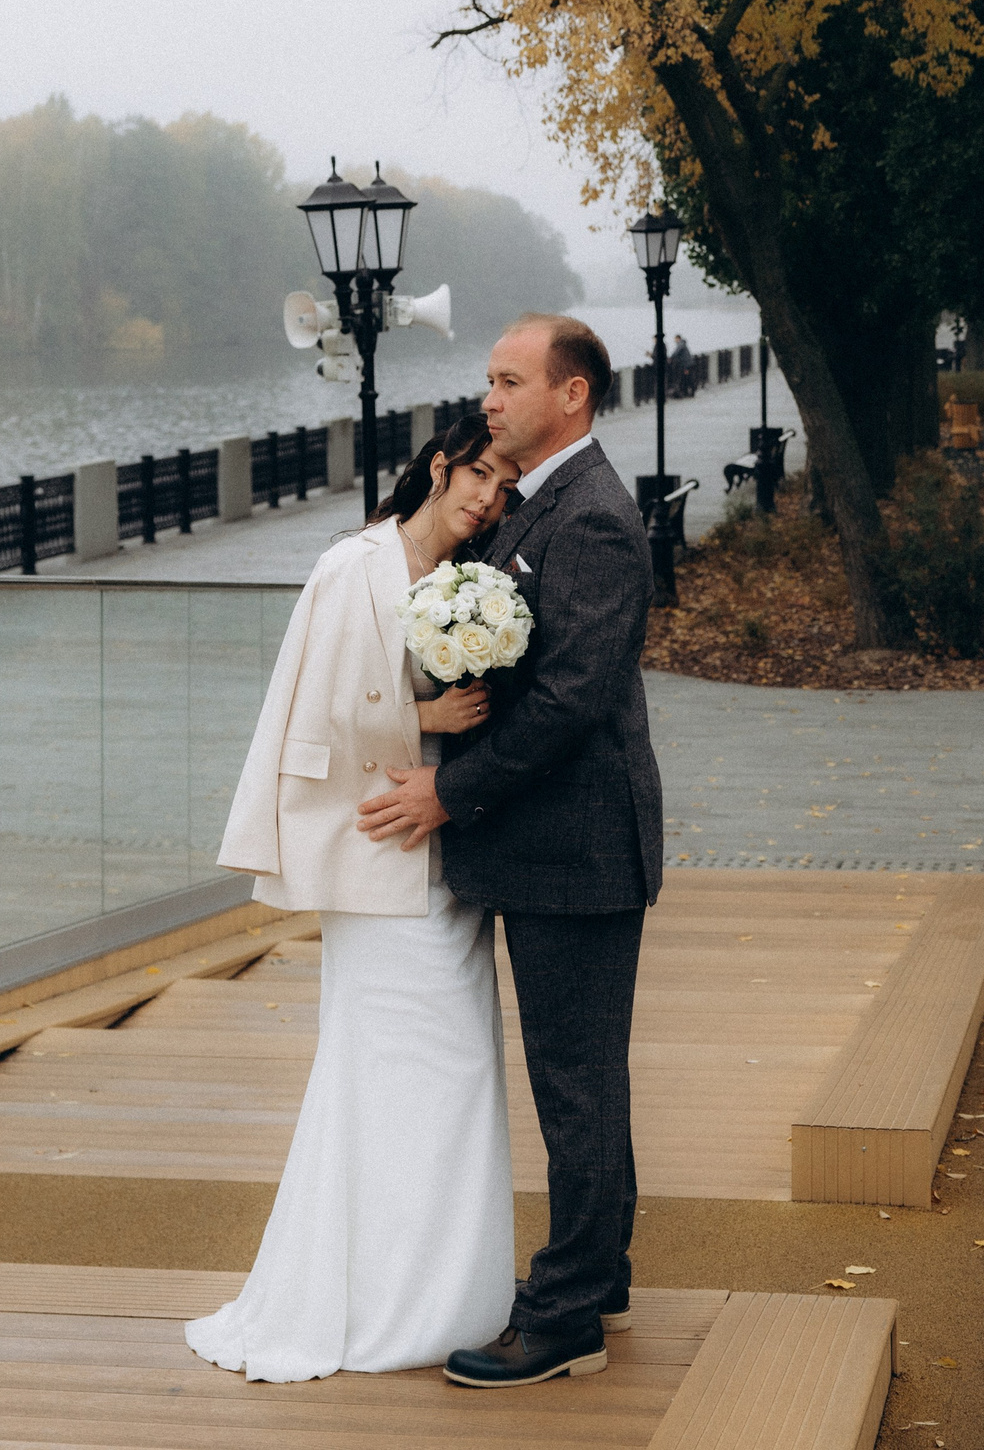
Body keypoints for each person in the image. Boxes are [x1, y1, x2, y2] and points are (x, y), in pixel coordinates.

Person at [357, 313, 664, 1389]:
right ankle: (601, 1273)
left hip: (575, 850)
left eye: (508, 380)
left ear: (569, 396)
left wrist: (449, 792)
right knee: (582, 1079)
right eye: (488, 381)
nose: (488, 399)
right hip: (545, 845)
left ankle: (565, 1315)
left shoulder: (594, 520)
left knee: (574, 1085)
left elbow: (573, 702)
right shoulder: (538, 501)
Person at [187, 414, 522, 1384]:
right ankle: (372, 1301)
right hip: (380, 850)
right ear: (439, 465)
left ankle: (445, 1291)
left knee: (456, 1075)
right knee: (383, 1075)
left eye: (501, 490)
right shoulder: (355, 566)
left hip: (439, 849)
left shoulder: (467, 582)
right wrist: (425, 715)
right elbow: (314, 705)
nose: (485, 500)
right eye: (477, 478)